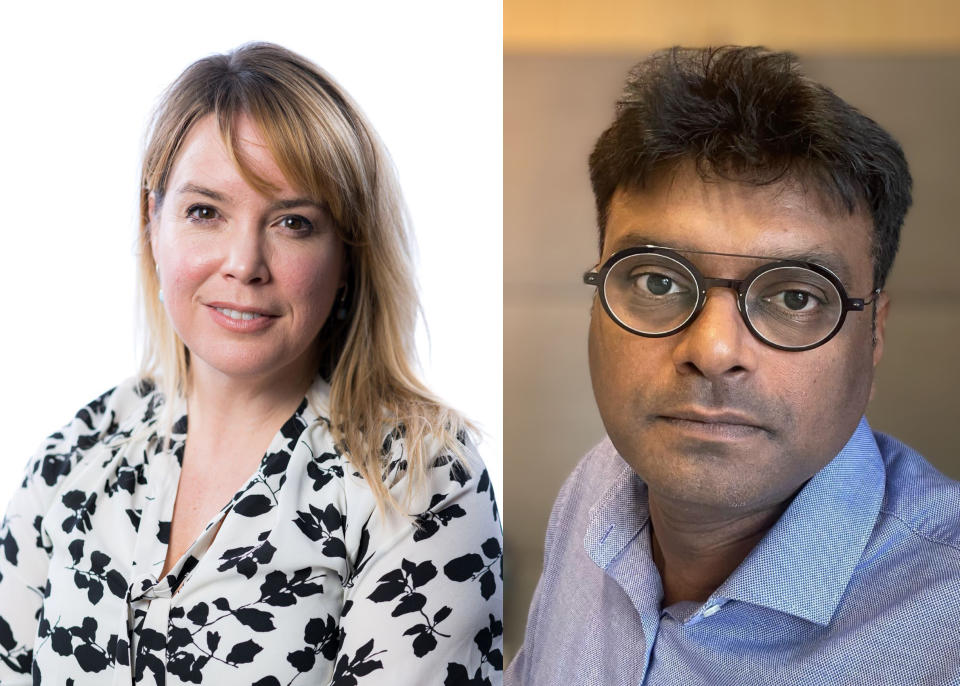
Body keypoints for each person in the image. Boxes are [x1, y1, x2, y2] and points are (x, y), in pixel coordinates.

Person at [0, 43, 502, 685]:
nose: (244, 262)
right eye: (204, 212)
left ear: (347, 254)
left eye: (293, 222)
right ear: (153, 224)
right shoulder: (77, 454)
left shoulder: (419, 480)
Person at [507, 46, 960, 685]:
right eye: (658, 282)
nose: (714, 350)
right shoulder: (597, 488)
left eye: (795, 297)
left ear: (873, 335)